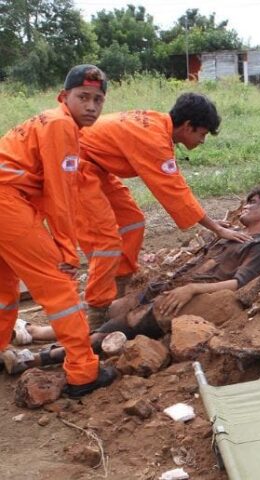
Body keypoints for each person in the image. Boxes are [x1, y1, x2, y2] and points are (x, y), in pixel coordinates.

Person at [4, 185, 260, 374]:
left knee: (109, 332)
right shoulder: (230, 236)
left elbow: (239, 284)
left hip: (179, 301)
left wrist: (192, 289)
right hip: (166, 289)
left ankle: (33, 359)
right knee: (111, 309)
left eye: (252, 203)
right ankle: (37, 333)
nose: (244, 207)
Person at [76, 92, 252, 329]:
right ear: (188, 126)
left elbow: (175, 185)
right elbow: (176, 193)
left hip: (95, 167)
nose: (202, 141)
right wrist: (217, 229)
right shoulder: (153, 139)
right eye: (202, 134)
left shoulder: (158, 125)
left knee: (132, 220)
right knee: (106, 241)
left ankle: (119, 284)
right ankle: (97, 314)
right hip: (73, 166)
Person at [0, 65, 116, 398]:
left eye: (98, 99)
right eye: (84, 97)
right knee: (60, 287)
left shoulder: (50, 120)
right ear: (64, 97)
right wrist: (66, 248)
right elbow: (60, 194)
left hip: (8, 201)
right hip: (7, 203)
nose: (92, 106)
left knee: (4, 284)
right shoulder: (63, 126)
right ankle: (83, 372)